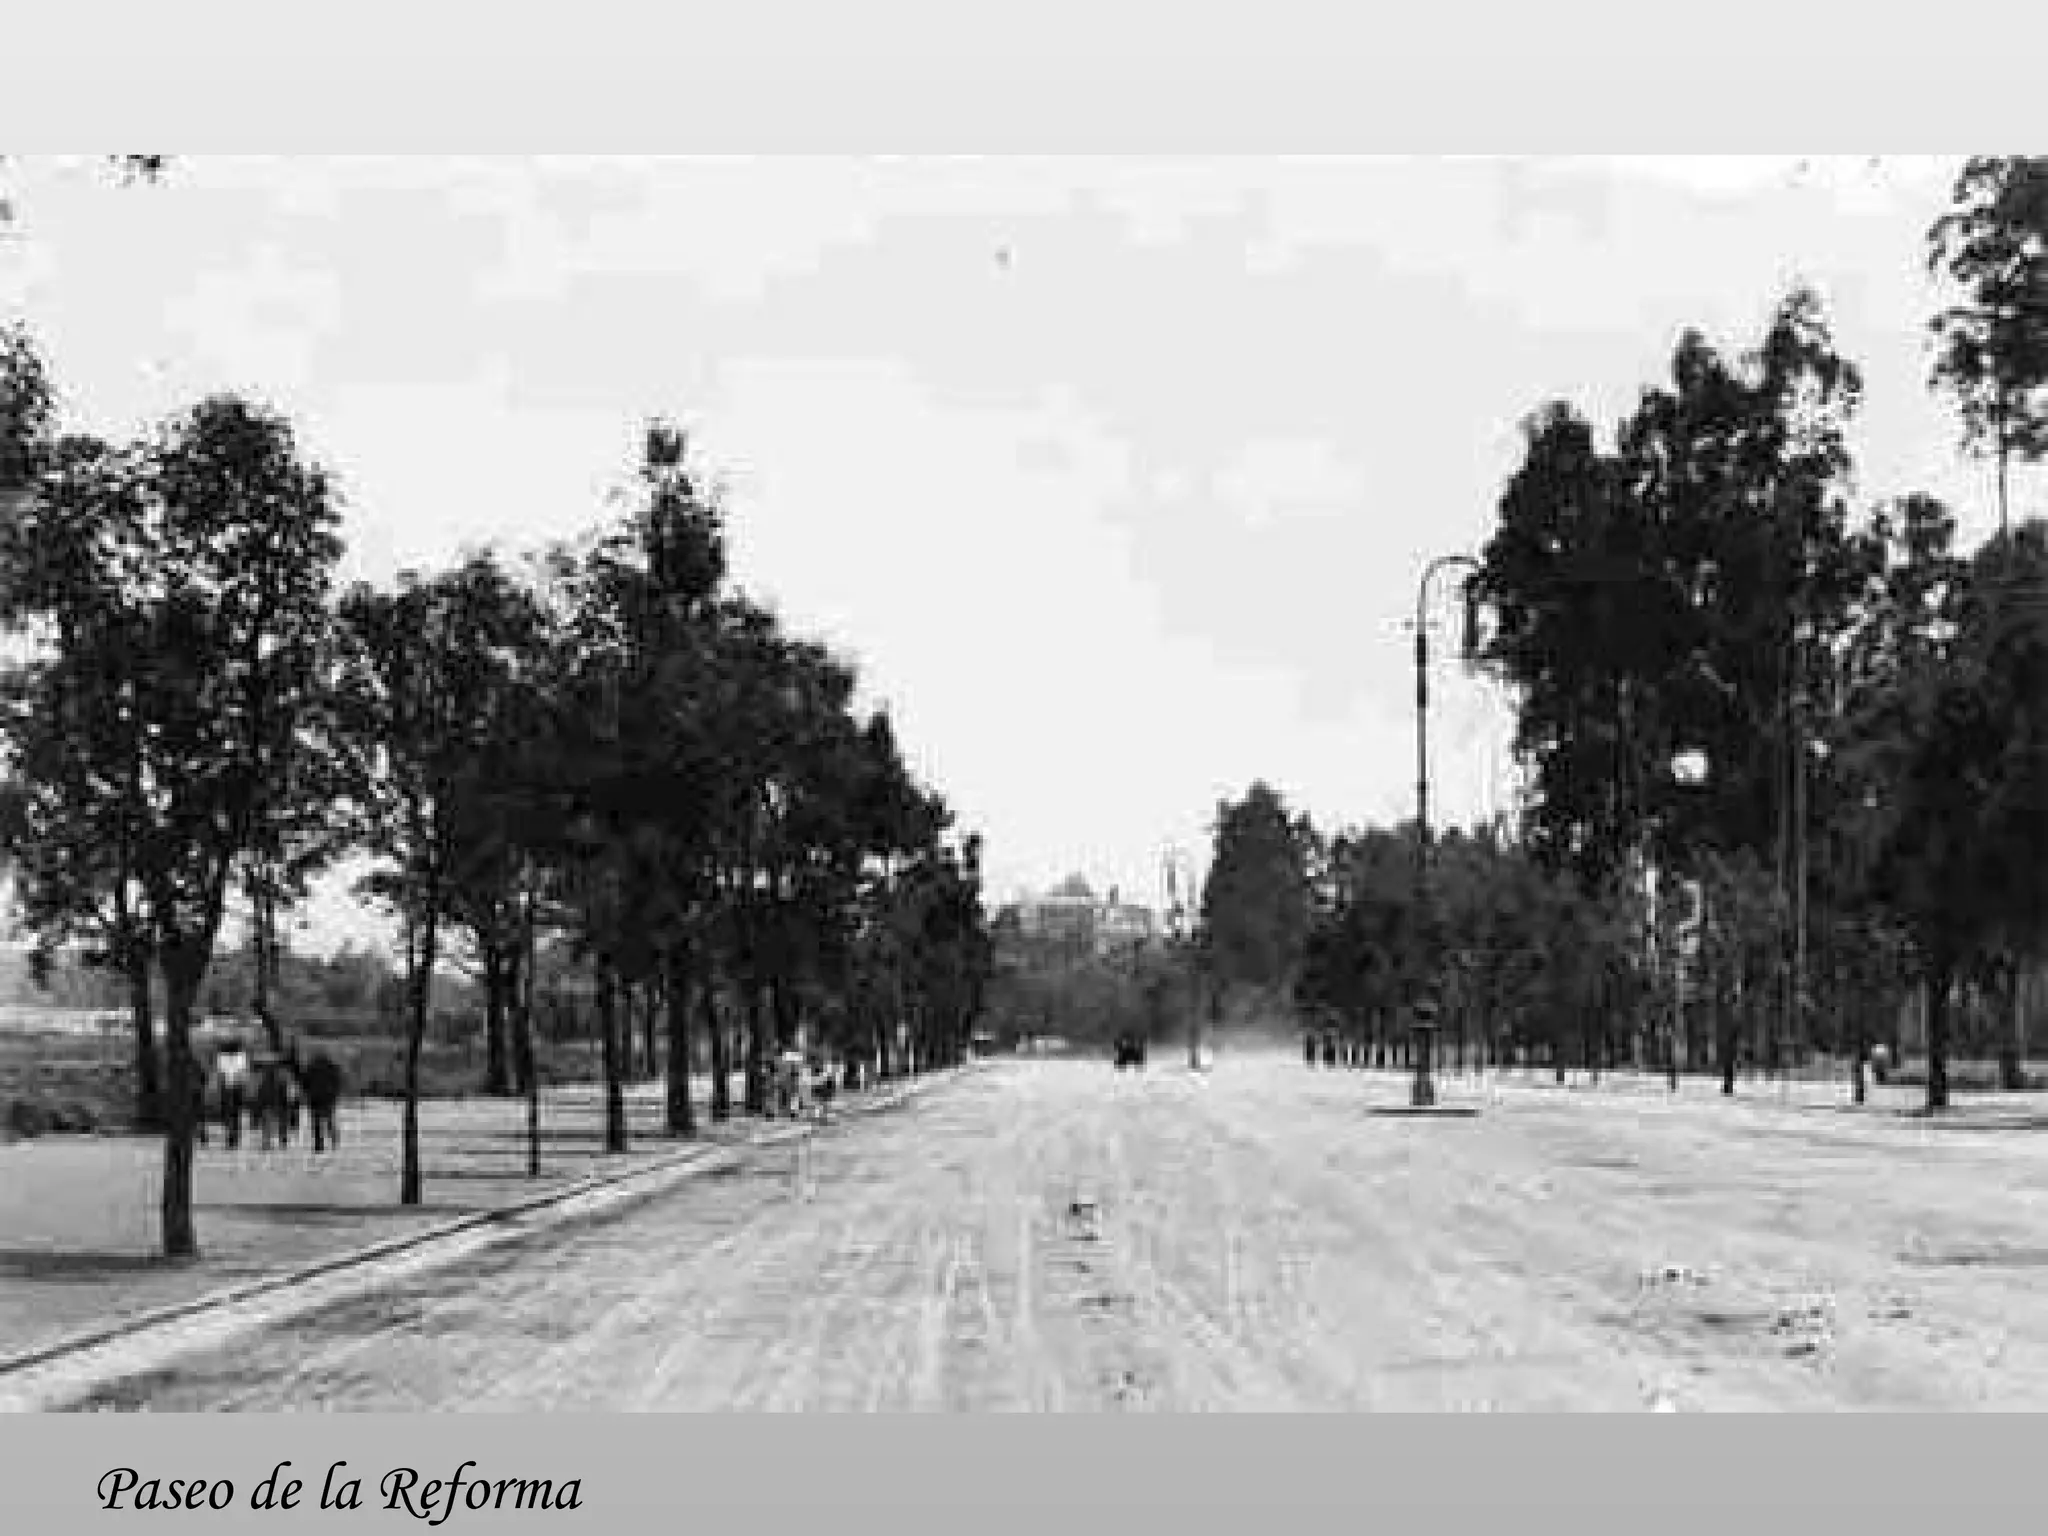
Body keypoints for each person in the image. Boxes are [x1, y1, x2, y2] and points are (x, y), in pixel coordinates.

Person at [215, 1034, 251, 1150]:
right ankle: (233, 1135)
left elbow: (220, 1074)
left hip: (228, 1088)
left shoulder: (222, 1057)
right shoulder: (241, 1056)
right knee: (235, 1113)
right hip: (235, 1088)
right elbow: (243, 1074)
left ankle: (231, 1135)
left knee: (229, 1113)